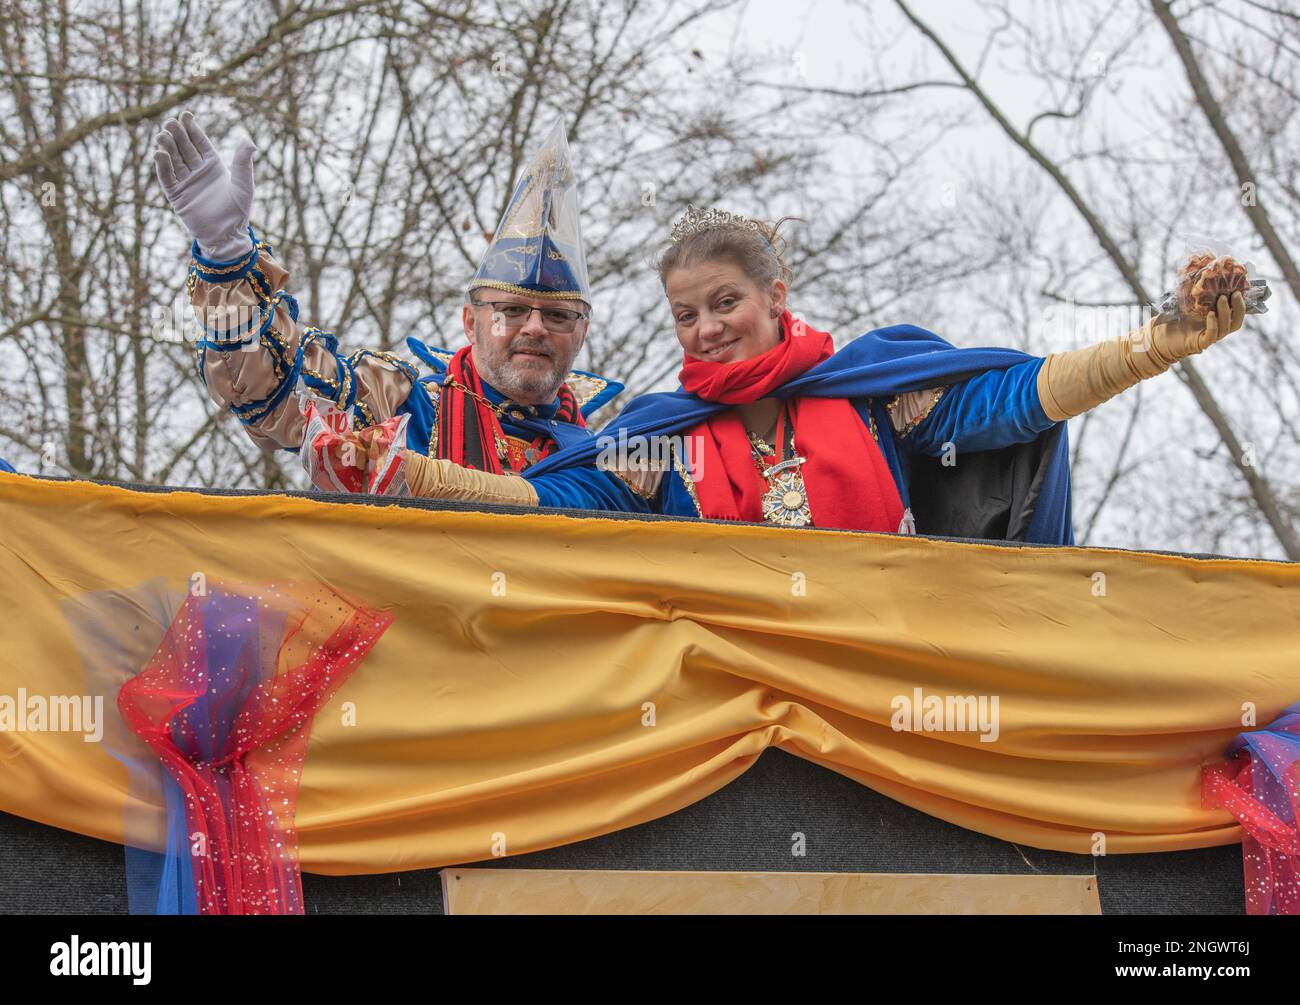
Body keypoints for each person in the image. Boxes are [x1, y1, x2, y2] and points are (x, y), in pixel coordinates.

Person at [402, 205, 1248, 544]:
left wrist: (1159, 343)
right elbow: (559, 500)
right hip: (731, 706)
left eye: (724, 301)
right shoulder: (666, 436)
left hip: (897, 685)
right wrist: (411, 474)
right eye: (686, 315)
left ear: (776, 296)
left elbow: (1014, 402)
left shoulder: (876, 394)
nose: (707, 328)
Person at [153, 111, 643, 508]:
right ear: (469, 321)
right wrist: (228, 255)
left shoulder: (602, 453)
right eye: (512, 310)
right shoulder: (399, 399)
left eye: (556, 315)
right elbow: (277, 399)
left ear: (581, 333)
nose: (534, 327)